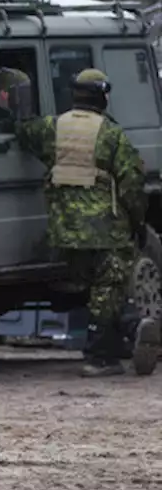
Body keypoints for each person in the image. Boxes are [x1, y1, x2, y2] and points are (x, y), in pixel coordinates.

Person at [13, 68, 160, 377]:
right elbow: (132, 184)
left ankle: (122, 341)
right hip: (107, 229)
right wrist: (138, 222)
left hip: (64, 230)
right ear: (103, 97)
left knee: (95, 289)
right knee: (109, 285)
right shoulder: (111, 134)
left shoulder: (53, 128)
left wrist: (18, 95)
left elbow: (24, 129)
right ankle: (107, 349)